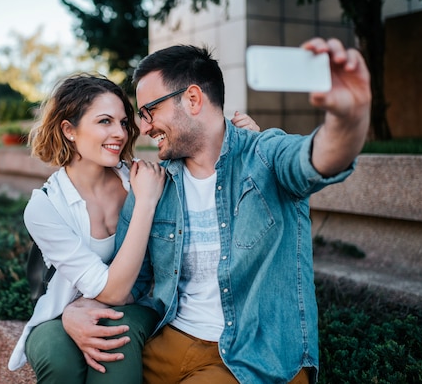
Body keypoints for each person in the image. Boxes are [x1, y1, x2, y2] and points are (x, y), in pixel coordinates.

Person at [61, 38, 371, 383]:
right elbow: (133, 283)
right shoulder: (153, 184)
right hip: (171, 341)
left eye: (150, 111)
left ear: (193, 99)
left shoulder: (265, 156)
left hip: (253, 357)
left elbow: (318, 159)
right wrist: (76, 310)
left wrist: (348, 117)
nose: (144, 127)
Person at [7, 74, 261, 383]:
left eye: (124, 122)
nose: (120, 133)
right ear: (69, 130)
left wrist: (242, 146)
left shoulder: (141, 180)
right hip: (64, 312)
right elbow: (108, 288)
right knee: (58, 360)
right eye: (105, 121)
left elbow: (207, 179)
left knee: (116, 341)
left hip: (138, 306)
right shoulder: (45, 207)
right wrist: (72, 314)